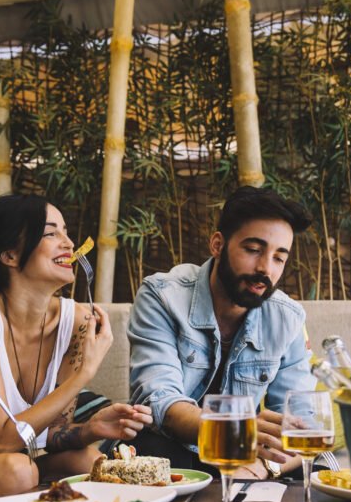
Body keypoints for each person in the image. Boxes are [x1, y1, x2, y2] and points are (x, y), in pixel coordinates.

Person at [0, 194, 152, 496]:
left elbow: (53, 432)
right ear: (10, 255)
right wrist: (83, 375)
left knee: (90, 461)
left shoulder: (77, 321)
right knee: (18, 470)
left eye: (66, 232)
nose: (69, 243)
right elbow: (1, 440)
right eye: (50, 233)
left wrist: (90, 429)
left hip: (23, 458)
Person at [128, 185, 316, 479]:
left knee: (317, 468)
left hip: (246, 457)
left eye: (279, 258)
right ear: (217, 245)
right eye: (253, 250)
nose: (266, 269)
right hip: (173, 448)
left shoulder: (287, 318)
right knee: (152, 449)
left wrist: (263, 468)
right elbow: (161, 402)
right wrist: (236, 431)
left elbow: (301, 425)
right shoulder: (162, 296)